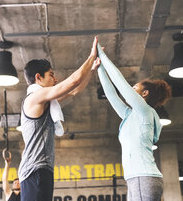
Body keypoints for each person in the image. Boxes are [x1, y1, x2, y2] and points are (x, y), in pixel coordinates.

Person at [18, 37, 100, 201]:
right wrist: (91, 56)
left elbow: (74, 91)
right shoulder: (34, 97)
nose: (55, 79)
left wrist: (92, 70)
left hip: (42, 170)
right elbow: (72, 81)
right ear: (38, 78)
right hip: (35, 171)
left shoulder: (46, 101)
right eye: (51, 75)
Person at [96, 43, 171, 201]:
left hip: (143, 177)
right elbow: (111, 94)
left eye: (134, 87)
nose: (130, 89)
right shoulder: (130, 115)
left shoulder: (144, 112)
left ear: (144, 94)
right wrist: (100, 67)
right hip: (136, 179)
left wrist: (103, 56)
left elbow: (119, 83)